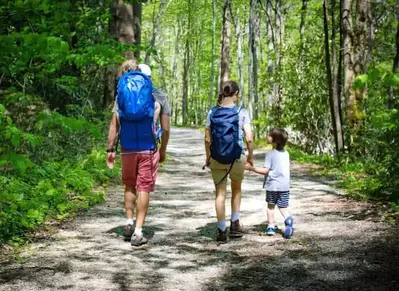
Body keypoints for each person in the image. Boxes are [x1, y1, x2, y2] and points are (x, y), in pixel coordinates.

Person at [106, 62, 171, 247]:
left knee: (129, 185)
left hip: (127, 148)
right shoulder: (158, 95)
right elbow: (165, 128)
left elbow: (114, 125)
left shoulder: (122, 95)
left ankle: (128, 222)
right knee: (144, 187)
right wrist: (163, 149)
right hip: (148, 148)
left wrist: (110, 150)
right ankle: (138, 231)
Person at [204, 80, 254, 243]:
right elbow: (249, 138)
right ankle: (235, 223)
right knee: (236, 188)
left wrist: (208, 157)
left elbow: (207, 138)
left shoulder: (212, 112)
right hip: (237, 157)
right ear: (236, 94)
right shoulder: (242, 111)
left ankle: (221, 230)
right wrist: (250, 158)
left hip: (217, 157)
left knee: (220, 193)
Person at [245, 128, 294, 238]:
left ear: (274, 141)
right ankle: (288, 219)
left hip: (273, 186)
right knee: (283, 206)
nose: (267, 136)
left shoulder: (270, 154)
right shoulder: (286, 154)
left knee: (270, 206)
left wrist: (251, 168)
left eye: (269, 135)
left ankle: (271, 226)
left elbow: (265, 171)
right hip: (285, 186)